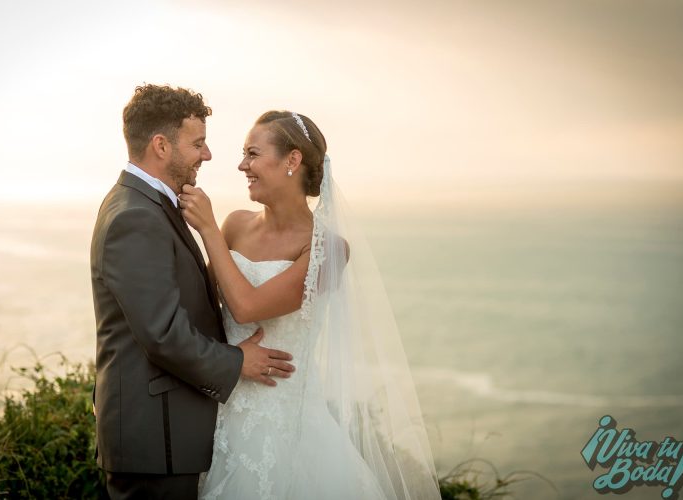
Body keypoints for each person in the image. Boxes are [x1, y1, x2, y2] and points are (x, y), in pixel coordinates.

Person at [180, 111, 441, 499]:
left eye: (252, 153)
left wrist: (207, 230)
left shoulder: (328, 249)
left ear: (292, 160)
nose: (241, 165)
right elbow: (200, 310)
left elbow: (247, 307)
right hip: (220, 409)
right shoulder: (235, 225)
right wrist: (226, 359)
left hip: (284, 423)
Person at [90, 85, 296, 500]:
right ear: (161, 145)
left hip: (170, 437)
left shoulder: (150, 205)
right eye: (198, 143)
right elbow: (163, 334)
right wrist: (238, 361)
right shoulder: (136, 216)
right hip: (156, 440)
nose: (208, 155)